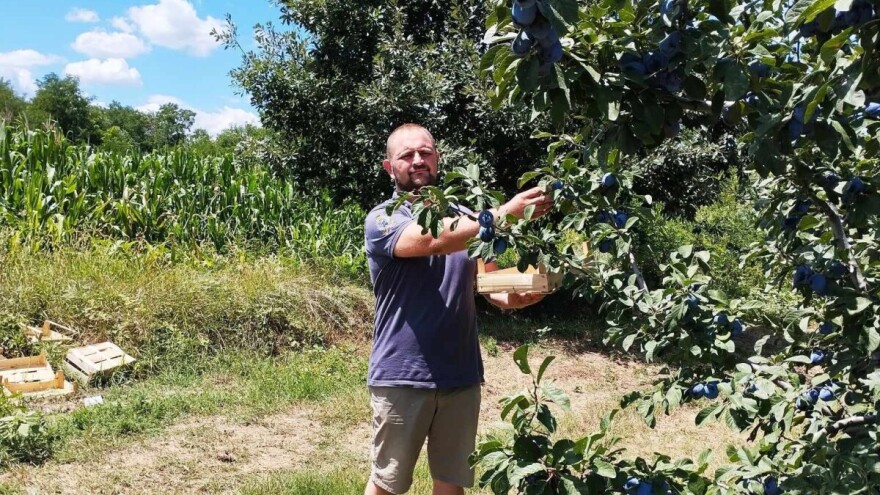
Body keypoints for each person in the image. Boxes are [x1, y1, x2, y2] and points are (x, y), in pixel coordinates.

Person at [363, 123, 554, 495]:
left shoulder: (469, 217)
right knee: (387, 484)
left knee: (452, 483)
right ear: (389, 167)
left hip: (461, 374)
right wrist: (500, 216)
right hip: (403, 374)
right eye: (406, 155)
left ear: (438, 158)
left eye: (426, 152)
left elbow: (489, 284)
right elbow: (429, 240)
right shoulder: (384, 218)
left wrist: (520, 295)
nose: (418, 160)